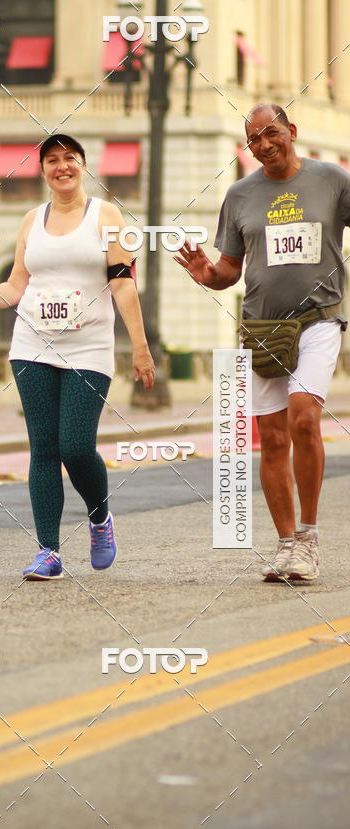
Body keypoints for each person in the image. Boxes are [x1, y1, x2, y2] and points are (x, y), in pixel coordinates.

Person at [0, 134, 155, 579]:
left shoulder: (106, 215)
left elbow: (122, 283)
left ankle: (100, 519)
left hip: (89, 347)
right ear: (41, 170)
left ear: (83, 165)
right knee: (42, 448)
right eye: (52, 160)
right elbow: (15, 288)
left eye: (70, 159)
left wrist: (140, 346)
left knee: (76, 447)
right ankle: (49, 552)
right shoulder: (30, 220)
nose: (62, 167)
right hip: (31, 345)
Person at [175, 103, 349, 583]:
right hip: (262, 328)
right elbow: (228, 271)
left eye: (271, 133)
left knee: (303, 416)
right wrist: (206, 274)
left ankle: (310, 538)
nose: (264, 144)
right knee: (271, 438)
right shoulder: (239, 195)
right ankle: (288, 544)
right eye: (253, 139)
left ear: (291, 131)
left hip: (320, 320)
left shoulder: (332, 180)